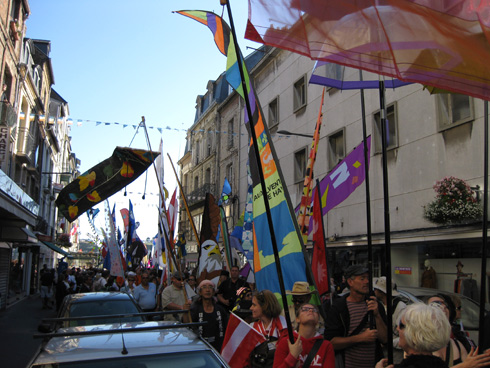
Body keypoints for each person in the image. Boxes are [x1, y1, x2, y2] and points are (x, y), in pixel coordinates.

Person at [323, 264, 387, 368]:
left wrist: (377, 315)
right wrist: (360, 338)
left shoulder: (375, 305)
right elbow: (331, 342)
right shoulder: (338, 307)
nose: (366, 281)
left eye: (367, 278)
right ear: (350, 282)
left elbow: (385, 338)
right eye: (362, 278)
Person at [274, 303, 335, 368]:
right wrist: (292, 356)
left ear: (318, 320)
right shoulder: (286, 342)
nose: (310, 311)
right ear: (297, 319)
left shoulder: (326, 346)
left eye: (314, 310)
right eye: (305, 309)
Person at [183, 279, 229, 351]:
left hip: (218, 347)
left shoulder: (220, 310)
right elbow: (187, 324)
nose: (207, 290)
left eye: (210, 287)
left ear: (213, 292)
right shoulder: (195, 309)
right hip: (200, 347)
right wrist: (185, 312)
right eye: (204, 287)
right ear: (200, 292)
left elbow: (227, 327)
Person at [248, 289, 287, 367]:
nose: (251, 308)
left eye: (254, 305)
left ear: (265, 306)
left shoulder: (283, 325)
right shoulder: (252, 328)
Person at [373, 276, 407, 364]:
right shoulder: (380, 306)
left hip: (396, 356)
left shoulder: (400, 308)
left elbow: (405, 335)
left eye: (376, 289)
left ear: (381, 292)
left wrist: (387, 343)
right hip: (384, 355)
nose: (374, 291)